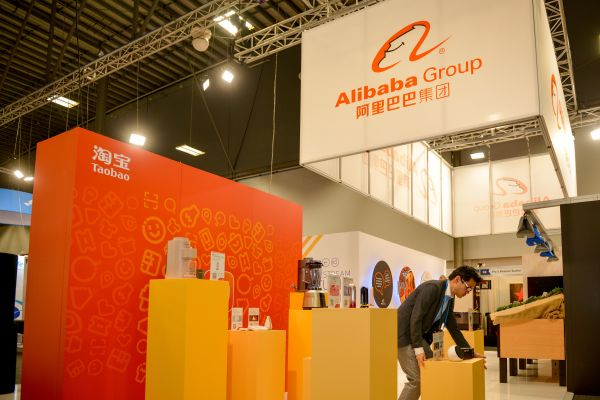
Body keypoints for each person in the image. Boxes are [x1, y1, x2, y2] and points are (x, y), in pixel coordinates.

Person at [397, 265, 483, 400]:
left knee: (434, 370)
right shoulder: (432, 288)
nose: (468, 292)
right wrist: (418, 349)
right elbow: (416, 317)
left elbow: (453, 328)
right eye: (468, 287)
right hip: (404, 334)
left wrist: (469, 352)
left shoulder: (450, 298)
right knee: (417, 380)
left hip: (418, 335)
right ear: (457, 279)